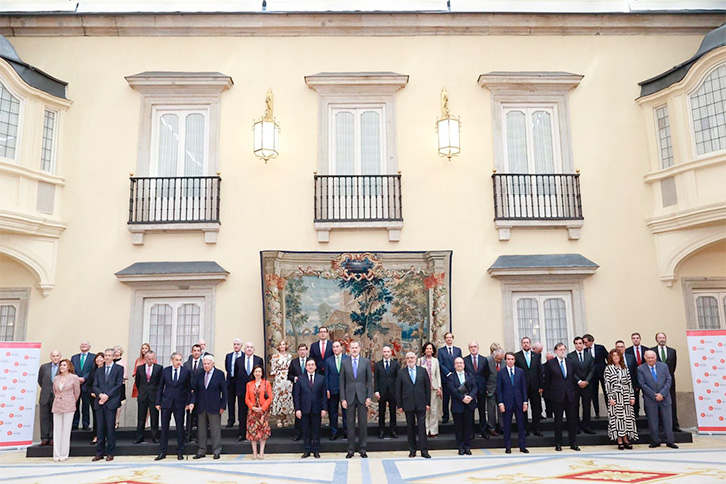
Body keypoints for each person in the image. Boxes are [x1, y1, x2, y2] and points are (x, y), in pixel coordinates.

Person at [339, 340, 373, 458]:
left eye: (356, 348)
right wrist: (342, 399)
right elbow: (341, 382)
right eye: (352, 348)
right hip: (349, 398)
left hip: (363, 397)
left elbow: (370, 381)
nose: (354, 350)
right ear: (349, 349)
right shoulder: (344, 363)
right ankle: (351, 449)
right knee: (350, 424)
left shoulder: (366, 362)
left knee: (363, 424)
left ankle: (363, 449)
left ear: (359, 349)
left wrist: (369, 397)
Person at [543, 343, 580, 452]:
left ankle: (573, 442)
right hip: (557, 397)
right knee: (558, 421)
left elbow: (573, 378)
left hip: (569, 396)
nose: (563, 351)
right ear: (555, 351)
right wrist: (549, 397)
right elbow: (547, 382)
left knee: (572, 420)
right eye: (560, 350)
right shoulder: (550, 364)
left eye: (564, 349)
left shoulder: (570, 363)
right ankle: (558, 443)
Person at [155, 352, 192, 461]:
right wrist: (158, 402)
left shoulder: (186, 372)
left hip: (180, 403)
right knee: (164, 428)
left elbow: (188, 388)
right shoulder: (165, 371)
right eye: (176, 360)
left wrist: (188, 402)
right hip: (166, 402)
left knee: (180, 428)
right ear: (172, 360)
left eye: (180, 360)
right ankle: (162, 451)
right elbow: (160, 387)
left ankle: (180, 451)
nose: (179, 362)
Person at [638, 350, 678, 449]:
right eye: (648, 358)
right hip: (650, 399)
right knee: (653, 421)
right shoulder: (640, 369)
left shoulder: (663, 366)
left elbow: (669, 380)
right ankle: (655, 441)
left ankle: (670, 441)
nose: (651, 359)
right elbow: (642, 384)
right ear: (645, 358)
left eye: (652, 357)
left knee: (667, 420)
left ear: (656, 357)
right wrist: (654, 395)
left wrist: (662, 394)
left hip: (665, 398)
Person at [190, 355, 227, 459]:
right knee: (201, 430)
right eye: (204, 364)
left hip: (214, 406)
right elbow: (195, 391)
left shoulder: (219, 374)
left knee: (215, 429)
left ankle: (216, 450)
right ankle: (202, 450)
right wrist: (192, 402)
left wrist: (223, 406)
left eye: (208, 364)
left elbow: (224, 392)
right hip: (201, 406)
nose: (206, 366)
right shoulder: (199, 374)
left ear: (213, 364)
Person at [396, 351, 431, 458]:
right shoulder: (401, 372)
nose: (410, 360)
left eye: (412, 358)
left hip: (421, 403)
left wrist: (427, 403)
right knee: (410, 428)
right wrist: (399, 405)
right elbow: (398, 390)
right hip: (408, 404)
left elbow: (427, 388)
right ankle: (412, 450)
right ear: (405, 360)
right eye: (408, 358)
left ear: (416, 359)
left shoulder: (422, 371)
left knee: (422, 428)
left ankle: (424, 451)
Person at [92, 348, 124, 461]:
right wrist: (100, 395)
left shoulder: (119, 368)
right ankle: (99, 453)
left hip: (111, 402)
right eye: (105, 355)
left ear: (114, 356)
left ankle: (110, 453)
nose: (107, 357)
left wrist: (107, 395)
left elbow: (119, 384)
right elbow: (94, 385)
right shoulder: (99, 370)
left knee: (110, 428)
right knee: (100, 429)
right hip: (100, 402)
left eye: (109, 355)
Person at [604, 348, 638, 450]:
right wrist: (610, 398)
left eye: (617, 355)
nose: (616, 357)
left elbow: (629, 383)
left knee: (627, 418)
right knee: (618, 419)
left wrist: (632, 396)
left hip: (626, 396)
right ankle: (619, 440)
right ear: (611, 357)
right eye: (614, 356)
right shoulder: (608, 369)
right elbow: (607, 384)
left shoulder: (625, 368)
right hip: (615, 397)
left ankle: (626, 439)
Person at [293, 359, 327, 458]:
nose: (311, 366)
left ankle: (316, 450)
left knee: (316, 430)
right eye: (309, 365)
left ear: (315, 366)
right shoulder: (300, 379)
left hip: (317, 409)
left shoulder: (321, 378)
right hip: (304, 409)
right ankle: (307, 450)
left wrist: (324, 408)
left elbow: (324, 395)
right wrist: (297, 409)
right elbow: (297, 395)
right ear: (306, 367)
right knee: (306, 430)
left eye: (312, 364)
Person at [497, 351, 528, 454]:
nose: (510, 361)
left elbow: (524, 387)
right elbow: (499, 389)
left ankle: (522, 446)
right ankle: (508, 446)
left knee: (521, 425)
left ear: (514, 360)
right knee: (507, 425)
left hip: (519, 401)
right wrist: (500, 403)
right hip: (507, 402)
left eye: (512, 359)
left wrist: (525, 402)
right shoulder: (501, 372)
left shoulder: (520, 372)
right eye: (508, 359)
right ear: (505, 360)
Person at [51, 359, 81, 461]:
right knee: (57, 429)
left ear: (69, 366)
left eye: (64, 365)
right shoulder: (56, 378)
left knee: (66, 430)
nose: (62, 367)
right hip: (57, 405)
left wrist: (71, 400)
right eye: (61, 365)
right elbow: (55, 391)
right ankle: (56, 454)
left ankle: (64, 454)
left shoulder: (74, 378)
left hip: (69, 405)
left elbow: (77, 392)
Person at [447, 357, 477, 455]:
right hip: (457, 405)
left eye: (461, 363)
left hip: (469, 404)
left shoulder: (470, 375)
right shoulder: (451, 376)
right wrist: (462, 398)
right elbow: (452, 389)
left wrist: (470, 397)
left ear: (464, 364)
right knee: (459, 427)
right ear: (454, 365)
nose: (459, 365)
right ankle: (460, 447)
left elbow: (475, 387)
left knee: (468, 427)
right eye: (457, 363)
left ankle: (467, 447)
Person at [235, 341, 264, 442]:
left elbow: (262, 376)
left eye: (251, 347)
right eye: (247, 347)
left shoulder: (259, 360)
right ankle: (242, 435)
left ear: (254, 349)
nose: (249, 349)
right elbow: (235, 376)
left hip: (255, 392)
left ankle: (256, 434)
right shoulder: (238, 360)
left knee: (255, 414)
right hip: (242, 391)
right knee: (242, 414)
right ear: (244, 349)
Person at [514, 337, 543, 436]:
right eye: (524, 343)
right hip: (522, 386)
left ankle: (536, 429)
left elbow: (540, 371)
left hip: (535, 386)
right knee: (523, 409)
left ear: (530, 344)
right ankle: (525, 429)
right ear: (521, 344)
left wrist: (541, 386)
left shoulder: (536, 355)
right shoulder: (517, 356)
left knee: (536, 408)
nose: (526, 344)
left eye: (527, 342)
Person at [567, 336, 595, 434]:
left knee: (586, 406)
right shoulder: (570, 356)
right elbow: (571, 370)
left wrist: (586, 381)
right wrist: (579, 381)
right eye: (576, 343)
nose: (578, 345)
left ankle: (587, 426)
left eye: (580, 343)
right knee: (575, 406)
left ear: (583, 344)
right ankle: (576, 427)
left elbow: (592, 370)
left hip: (587, 385)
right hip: (575, 385)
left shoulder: (589, 356)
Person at [134, 350, 162, 444]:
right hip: (142, 395)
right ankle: (139, 437)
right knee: (141, 417)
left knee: (154, 417)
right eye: (149, 359)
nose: (151, 361)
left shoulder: (159, 368)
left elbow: (160, 383)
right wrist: (142, 391)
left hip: (154, 396)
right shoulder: (139, 368)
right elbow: (137, 382)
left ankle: (155, 436)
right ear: (145, 359)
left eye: (152, 359)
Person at [245, 365, 273, 459]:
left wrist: (263, 408)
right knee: (252, 432)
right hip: (252, 411)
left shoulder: (266, 383)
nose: (257, 373)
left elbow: (270, 397)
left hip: (263, 411)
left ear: (262, 373)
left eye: (259, 372)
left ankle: (261, 452)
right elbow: (247, 398)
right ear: (253, 373)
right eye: (256, 371)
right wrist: (252, 407)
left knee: (263, 431)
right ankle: (254, 452)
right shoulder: (249, 384)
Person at [464, 341, 490, 439]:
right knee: (470, 411)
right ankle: (471, 432)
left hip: (481, 388)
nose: (473, 348)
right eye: (471, 347)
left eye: (475, 346)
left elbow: (487, 374)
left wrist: (486, 386)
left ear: (478, 348)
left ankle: (483, 431)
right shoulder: (465, 360)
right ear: (469, 349)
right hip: (470, 390)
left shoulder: (484, 359)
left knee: (482, 410)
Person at [655, 332, 680, 432]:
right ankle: (661, 426)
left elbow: (673, 366)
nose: (662, 339)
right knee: (658, 402)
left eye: (663, 337)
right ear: (656, 340)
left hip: (670, 380)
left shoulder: (672, 351)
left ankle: (674, 425)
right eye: (660, 338)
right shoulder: (652, 351)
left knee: (672, 402)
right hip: (657, 381)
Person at [324, 340, 349, 440]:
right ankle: (334, 432)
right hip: (332, 389)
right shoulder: (328, 361)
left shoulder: (347, 359)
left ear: (341, 348)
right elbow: (326, 376)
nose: (335, 349)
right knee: (333, 412)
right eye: (333, 347)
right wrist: (327, 389)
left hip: (345, 390)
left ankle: (346, 431)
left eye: (337, 346)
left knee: (346, 412)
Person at [374, 345, 399, 439]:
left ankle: (393, 430)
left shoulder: (395, 364)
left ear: (391, 353)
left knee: (393, 412)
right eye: (384, 352)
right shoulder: (378, 364)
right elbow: (376, 379)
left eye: (388, 352)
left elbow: (398, 378)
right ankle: (381, 430)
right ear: (382, 353)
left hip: (393, 392)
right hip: (382, 391)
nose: (386, 353)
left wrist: (397, 391)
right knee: (381, 412)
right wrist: (376, 391)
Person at [37, 349, 61, 446]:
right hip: (45, 396)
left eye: (57, 356)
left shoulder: (63, 367)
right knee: (44, 417)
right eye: (53, 356)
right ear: (51, 357)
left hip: (57, 397)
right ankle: (44, 438)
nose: (55, 358)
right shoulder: (44, 367)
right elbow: (40, 380)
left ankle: (52, 437)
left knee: (55, 418)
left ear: (60, 357)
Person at [418, 342, 442, 437]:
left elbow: (438, 375)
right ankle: (425, 429)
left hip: (434, 388)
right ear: (424, 350)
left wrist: (439, 387)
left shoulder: (435, 361)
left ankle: (433, 430)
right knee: (425, 409)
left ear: (433, 351)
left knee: (434, 409)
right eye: (427, 348)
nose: (429, 350)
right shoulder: (420, 361)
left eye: (430, 349)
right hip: (423, 388)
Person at [437, 332, 462, 424]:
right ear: (445, 339)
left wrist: (455, 373)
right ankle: (445, 416)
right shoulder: (441, 351)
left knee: (456, 396)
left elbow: (460, 362)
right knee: (446, 398)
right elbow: (440, 363)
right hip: (446, 377)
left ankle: (456, 415)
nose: (449, 339)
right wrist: (448, 373)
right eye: (447, 337)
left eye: (450, 337)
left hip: (456, 377)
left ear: (452, 338)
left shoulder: (458, 350)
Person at [270, 339, 294, 428]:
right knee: (278, 397)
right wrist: (277, 377)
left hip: (287, 378)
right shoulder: (275, 356)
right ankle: (278, 418)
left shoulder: (289, 356)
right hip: (279, 378)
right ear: (278, 346)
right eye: (281, 344)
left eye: (284, 344)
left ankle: (285, 418)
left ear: (286, 346)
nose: (282, 346)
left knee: (286, 397)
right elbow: (273, 369)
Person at [583, 334, 608, 419]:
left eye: (586, 342)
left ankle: (610, 411)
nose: (584, 344)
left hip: (602, 373)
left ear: (591, 341)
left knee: (606, 392)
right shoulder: (585, 351)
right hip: (592, 375)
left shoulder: (600, 348)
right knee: (594, 394)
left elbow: (608, 357)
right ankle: (597, 412)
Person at [287, 343, 309, 441]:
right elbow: (289, 375)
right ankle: (298, 434)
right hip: (298, 391)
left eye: (304, 349)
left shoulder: (311, 361)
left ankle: (308, 434)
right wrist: (294, 378)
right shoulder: (294, 362)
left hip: (309, 391)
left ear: (307, 351)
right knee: (298, 412)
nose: (302, 351)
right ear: (298, 351)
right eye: (300, 350)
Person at [71, 341, 94, 431]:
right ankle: (75, 424)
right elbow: (71, 369)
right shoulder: (74, 357)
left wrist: (84, 378)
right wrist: (77, 378)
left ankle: (86, 424)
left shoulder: (93, 357)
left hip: (87, 385)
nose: (84, 346)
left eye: (86, 344)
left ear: (89, 346)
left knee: (86, 406)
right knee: (75, 406)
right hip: (75, 385)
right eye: (82, 344)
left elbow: (92, 369)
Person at [625, 332, 649, 418]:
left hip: (645, 377)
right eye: (634, 338)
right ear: (632, 340)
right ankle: (636, 413)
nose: (636, 339)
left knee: (647, 396)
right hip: (634, 377)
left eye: (637, 338)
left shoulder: (646, 350)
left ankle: (648, 414)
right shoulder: (628, 351)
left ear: (640, 339)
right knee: (635, 397)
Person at [224, 339, 243, 428]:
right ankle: (231, 420)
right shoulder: (228, 356)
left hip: (240, 381)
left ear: (241, 346)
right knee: (230, 401)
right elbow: (227, 368)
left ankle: (241, 420)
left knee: (240, 402)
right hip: (230, 381)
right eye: (234, 344)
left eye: (238, 344)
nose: (236, 346)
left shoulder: (244, 356)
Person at [87, 352, 105, 445]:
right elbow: (88, 384)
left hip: (106, 398)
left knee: (106, 418)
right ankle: (96, 436)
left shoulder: (107, 370)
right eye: (97, 358)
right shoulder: (93, 371)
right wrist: (92, 393)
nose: (99, 360)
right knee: (96, 418)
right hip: (94, 398)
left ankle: (105, 436)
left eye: (101, 358)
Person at [486, 348, 504, 436]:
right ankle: (491, 428)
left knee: (501, 409)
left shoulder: (504, 361)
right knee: (491, 410)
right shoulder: (488, 361)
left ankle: (502, 427)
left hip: (502, 389)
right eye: (498, 359)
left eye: (501, 359)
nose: (499, 360)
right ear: (494, 356)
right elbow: (484, 375)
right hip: (490, 388)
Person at [112, 345, 128, 429]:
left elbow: (125, 374)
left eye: (118, 350)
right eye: (114, 350)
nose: (116, 351)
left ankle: (116, 420)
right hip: (110, 386)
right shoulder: (110, 361)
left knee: (118, 403)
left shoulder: (123, 361)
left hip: (120, 384)